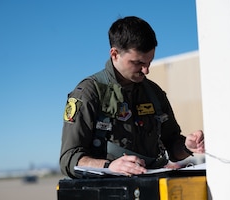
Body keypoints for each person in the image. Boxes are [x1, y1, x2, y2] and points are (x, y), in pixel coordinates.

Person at [60, 16, 205, 178]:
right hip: (109, 189)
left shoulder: (154, 93)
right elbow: (69, 159)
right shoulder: (89, 92)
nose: (146, 71)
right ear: (115, 54)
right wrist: (109, 166)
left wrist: (187, 146)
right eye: (138, 63)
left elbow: (172, 147)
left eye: (149, 62)